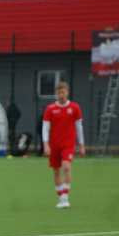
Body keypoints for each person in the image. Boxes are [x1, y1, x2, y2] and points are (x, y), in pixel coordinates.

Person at [42, 81, 85, 209]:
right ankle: (61, 197)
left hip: (68, 144)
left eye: (63, 92)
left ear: (67, 92)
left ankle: (65, 196)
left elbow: (79, 127)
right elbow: (45, 128)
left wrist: (81, 144)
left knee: (66, 167)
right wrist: (46, 144)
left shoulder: (75, 107)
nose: (61, 95)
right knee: (56, 171)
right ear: (56, 94)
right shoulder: (50, 109)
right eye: (59, 92)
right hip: (54, 145)